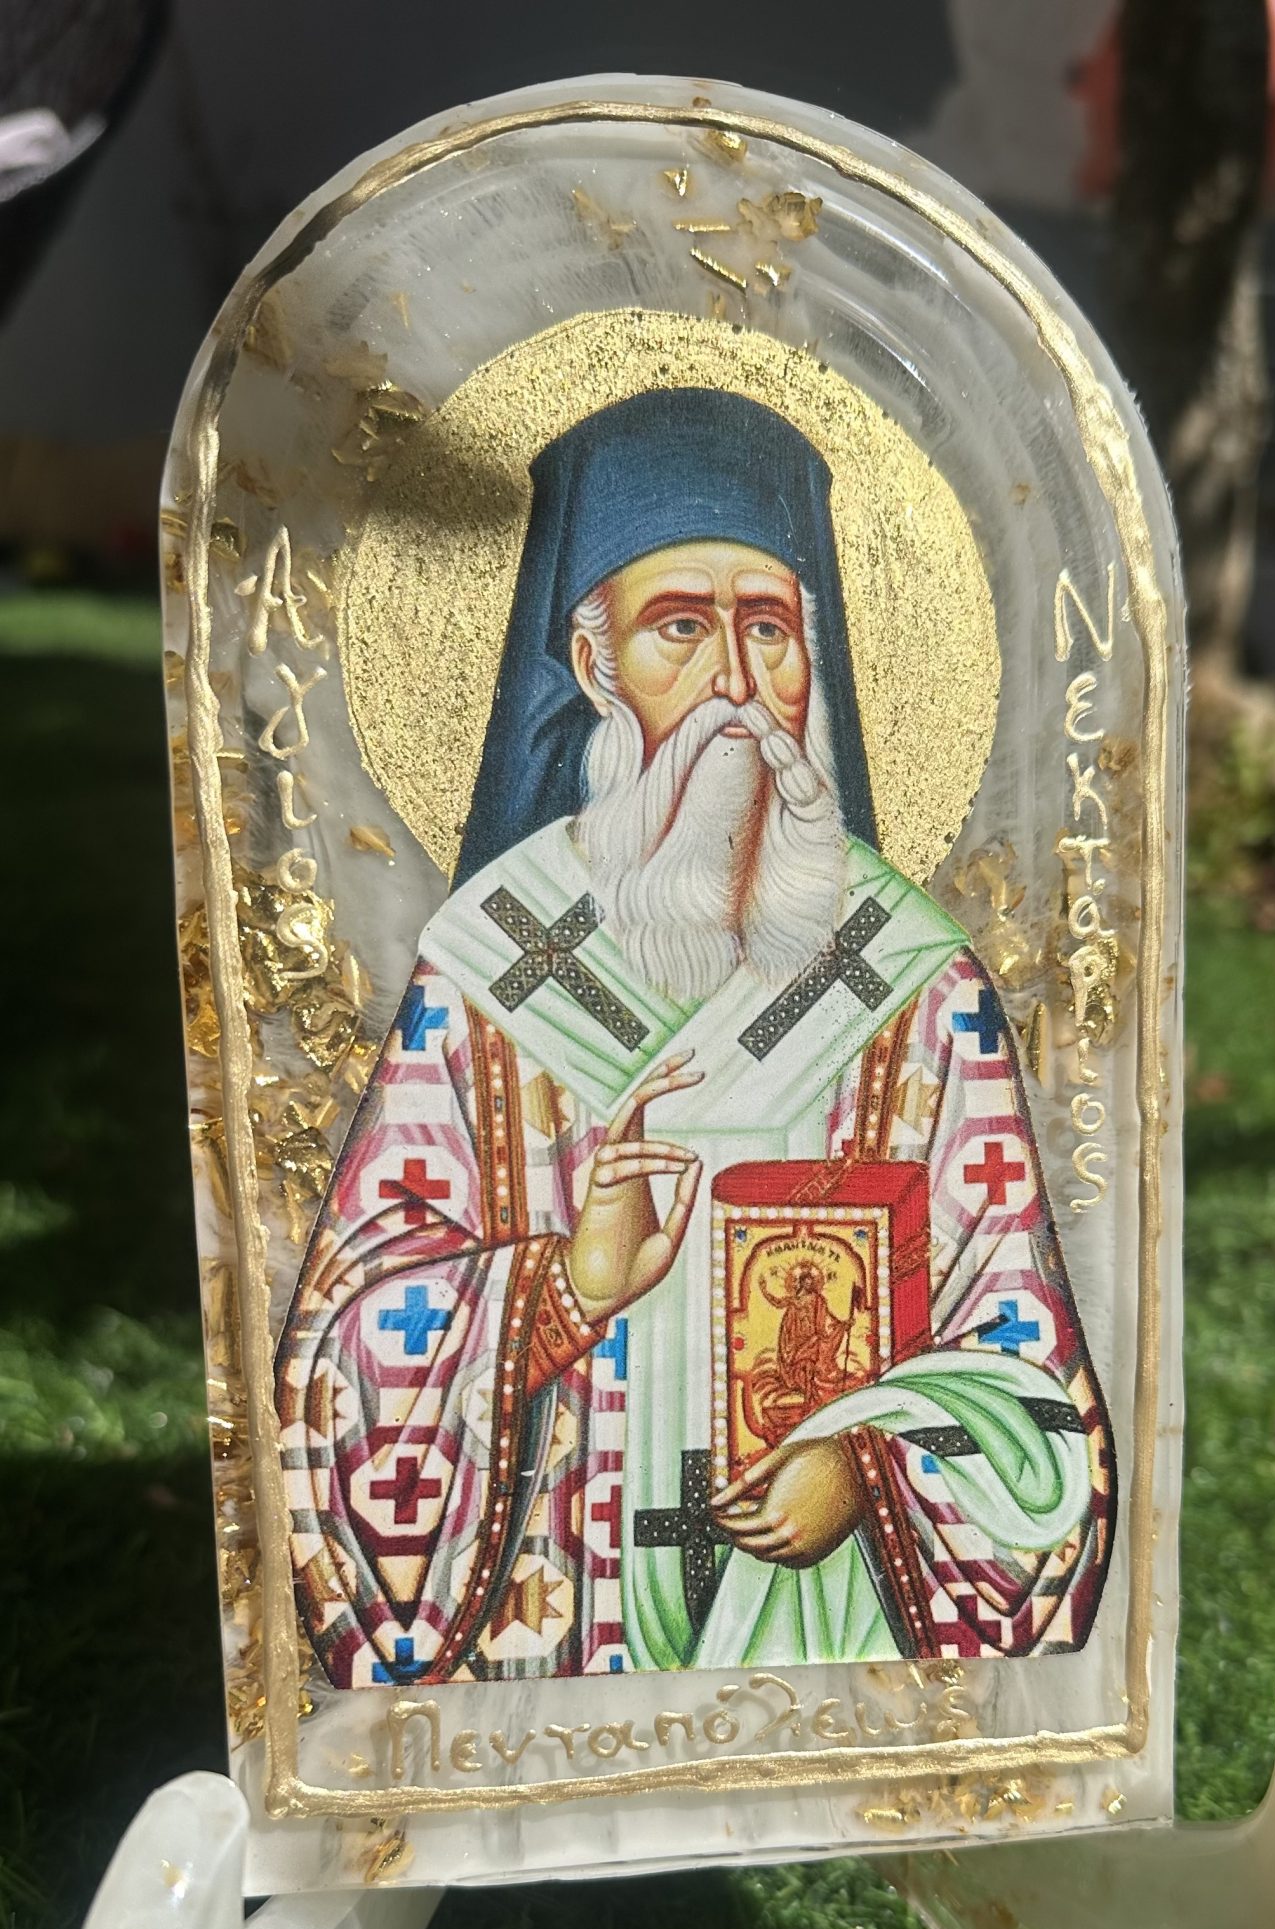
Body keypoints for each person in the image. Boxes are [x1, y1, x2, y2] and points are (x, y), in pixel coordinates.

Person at [277, 388, 1115, 1685]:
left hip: (845, 1664)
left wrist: (875, 1457)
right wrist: (564, 1289)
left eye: (769, 629)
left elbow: (1031, 1381)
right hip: (549, 1661)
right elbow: (341, 1358)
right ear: (594, 665)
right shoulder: (493, 969)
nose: (737, 685)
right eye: (681, 625)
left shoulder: (916, 986)